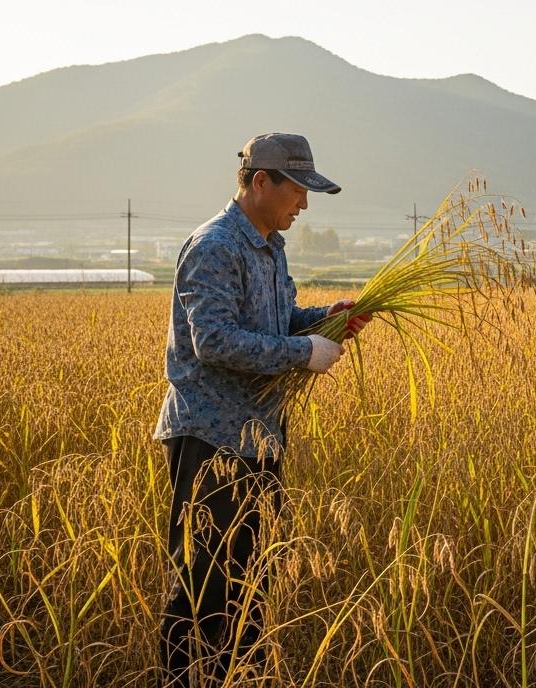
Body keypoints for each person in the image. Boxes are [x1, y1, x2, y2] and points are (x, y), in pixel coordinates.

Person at [152, 133, 371, 687]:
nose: (304, 203)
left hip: (260, 437)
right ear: (260, 183)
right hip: (210, 440)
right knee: (203, 585)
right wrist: (305, 352)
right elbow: (215, 341)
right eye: (297, 190)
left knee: (252, 578)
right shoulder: (215, 245)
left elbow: (278, 318)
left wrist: (326, 318)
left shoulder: (270, 247)